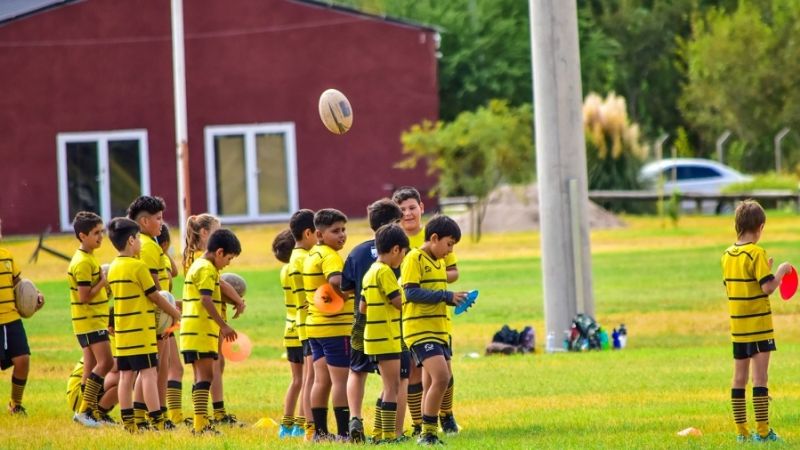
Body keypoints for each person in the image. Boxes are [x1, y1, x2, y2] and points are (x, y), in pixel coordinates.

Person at [721, 200, 790, 443]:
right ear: (760, 227)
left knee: (739, 379)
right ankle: (762, 432)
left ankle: (742, 433)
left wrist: (765, 271)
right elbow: (768, 287)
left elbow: (734, 287)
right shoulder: (757, 253)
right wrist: (780, 271)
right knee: (760, 379)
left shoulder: (727, 256)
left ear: (737, 226)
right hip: (759, 328)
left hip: (738, 329)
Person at [392, 187, 460, 435]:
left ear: (421, 208)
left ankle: (444, 416)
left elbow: (452, 272)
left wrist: (451, 295)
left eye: (412, 208)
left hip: (439, 322)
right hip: (414, 322)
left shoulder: (441, 247)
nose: (408, 213)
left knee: (441, 375)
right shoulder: (403, 246)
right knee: (417, 374)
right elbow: (408, 290)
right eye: (402, 210)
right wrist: (445, 295)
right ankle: (422, 425)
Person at [106, 217, 180, 432]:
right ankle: (157, 419)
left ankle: (129, 421)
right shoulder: (139, 267)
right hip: (141, 331)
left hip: (122, 333)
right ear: (131, 240)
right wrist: (175, 313)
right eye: (138, 238)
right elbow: (155, 297)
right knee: (148, 372)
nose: (140, 242)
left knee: (126, 376)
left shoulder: (113, 267)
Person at [400, 215, 467, 446]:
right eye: (449, 244)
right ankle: (428, 433)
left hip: (439, 329)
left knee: (435, 382)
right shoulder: (414, 258)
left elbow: (436, 295)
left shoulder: (439, 263)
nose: (450, 251)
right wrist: (447, 296)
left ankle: (426, 430)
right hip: (419, 329)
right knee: (442, 376)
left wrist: (456, 300)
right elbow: (410, 293)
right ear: (435, 238)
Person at [340, 198, 403, 442]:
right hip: (387, 326)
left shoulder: (357, 252)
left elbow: (345, 288)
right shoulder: (395, 254)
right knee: (392, 380)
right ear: (391, 225)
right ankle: (388, 431)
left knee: (356, 371)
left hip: (361, 323)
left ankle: (355, 418)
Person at [182, 213, 246, 426]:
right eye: (228, 259)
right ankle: (200, 425)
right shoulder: (205, 269)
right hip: (199, 330)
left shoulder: (204, 266)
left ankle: (201, 422)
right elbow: (206, 300)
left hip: (198, 331)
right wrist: (224, 326)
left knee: (204, 376)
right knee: (205, 376)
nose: (227, 264)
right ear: (219, 252)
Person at [303, 208, 351, 440]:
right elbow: (335, 280)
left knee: (322, 381)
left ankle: (320, 433)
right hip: (335, 329)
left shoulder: (313, 254)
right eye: (335, 231)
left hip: (315, 327)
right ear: (319, 234)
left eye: (343, 230)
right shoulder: (331, 256)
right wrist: (348, 294)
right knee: (341, 381)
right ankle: (343, 433)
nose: (342, 235)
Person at [127, 196, 172, 428]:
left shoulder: (147, 243)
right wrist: (171, 312)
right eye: (158, 218)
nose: (162, 223)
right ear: (144, 221)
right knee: (154, 369)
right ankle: (153, 417)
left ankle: (147, 417)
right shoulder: (148, 247)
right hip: (157, 316)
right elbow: (155, 288)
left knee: (156, 369)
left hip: (156, 315)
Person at [362, 223, 409, 443]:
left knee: (386, 387)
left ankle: (378, 434)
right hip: (387, 337)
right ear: (396, 249)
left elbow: (362, 308)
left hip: (372, 338)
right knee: (393, 387)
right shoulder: (386, 272)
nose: (403, 259)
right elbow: (399, 303)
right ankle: (389, 437)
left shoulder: (370, 272)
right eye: (404, 254)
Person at [67, 211, 112, 427]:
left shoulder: (88, 257)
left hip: (89, 321)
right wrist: (103, 282)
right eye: (96, 233)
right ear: (82, 236)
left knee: (91, 365)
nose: (100, 236)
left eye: (101, 232)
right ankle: (85, 411)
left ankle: (88, 411)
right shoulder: (83, 262)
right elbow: (84, 297)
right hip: (90, 321)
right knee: (106, 362)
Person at [0, 217, 44, 416]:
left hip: (11, 319)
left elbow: (19, 284)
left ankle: (15, 405)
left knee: (23, 360)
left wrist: (35, 297)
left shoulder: (6, 256)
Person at [288, 209, 316, 440]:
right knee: (311, 379)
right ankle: (310, 428)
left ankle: (307, 425)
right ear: (308, 233)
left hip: (301, 323)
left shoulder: (294, 258)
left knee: (308, 378)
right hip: (309, 324)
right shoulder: (305, 259)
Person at [273, 229, 303, 438]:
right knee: (309, 379)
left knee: (296, 380)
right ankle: (301, 425)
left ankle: (285, 425)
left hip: (289, 328)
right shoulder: (300, 266)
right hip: (303, 328)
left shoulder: (285, 270)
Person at [158, 223, 185, 425]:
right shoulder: (157, 263)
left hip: (167, 319)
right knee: (170, 368)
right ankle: (167, 415)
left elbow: (175, 272)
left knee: (173, 368)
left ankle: (171, 415)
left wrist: (165, 252)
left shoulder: (161, 261)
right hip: (164, 320)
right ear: (165, 244)